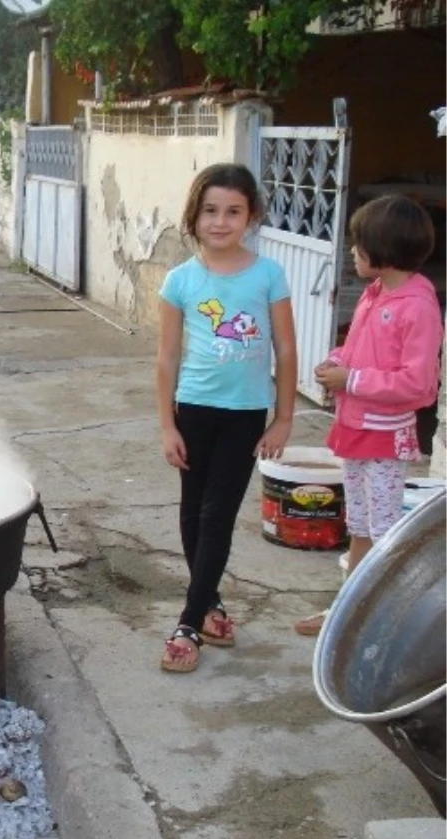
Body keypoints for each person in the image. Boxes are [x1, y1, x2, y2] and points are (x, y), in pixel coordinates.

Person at [156, 163, 297, 673]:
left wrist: (283, 418)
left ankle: (189, 623)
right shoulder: (180, 281)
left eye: (233, 211)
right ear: (195, 216)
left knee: (217, 515)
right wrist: (167, 424)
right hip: (193, 410)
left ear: (250, 216)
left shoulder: (268, 275)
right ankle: (211, 605)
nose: (221, 221)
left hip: (245, 416)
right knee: (193, 513)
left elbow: (284, 347)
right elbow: (168, 357)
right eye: (211, 211)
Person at [295, 195, 443, 637]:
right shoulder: (376, 293)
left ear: (384, 251)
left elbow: (419, 385)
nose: (352, 253)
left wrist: (352, 379)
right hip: (355, 429)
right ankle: (346, 612)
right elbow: (361, 350)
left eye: (359, 246)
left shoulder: (417, 306)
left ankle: (382, 624)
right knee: (359, 525)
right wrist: (337, 363)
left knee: (384, 534)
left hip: (384, 436)